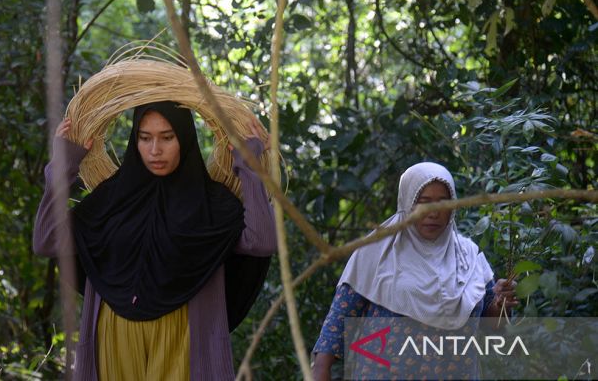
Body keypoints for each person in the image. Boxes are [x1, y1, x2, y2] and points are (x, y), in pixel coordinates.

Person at [33, 101, 276, 380]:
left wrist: (250, 165)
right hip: (112, 338)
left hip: (184, 339)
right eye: (145, 137)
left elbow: (262, 241)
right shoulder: (111, 199)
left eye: (167, 137)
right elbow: (47, 241)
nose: (155, 150)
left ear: (185, 138)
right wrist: (63, 164)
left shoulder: (212, 203)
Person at [311, 162, 518, 381]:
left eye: (443, 202)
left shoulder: (469, 258)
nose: (433, 213)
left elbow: (492, 326)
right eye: (424, 202)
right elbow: (337, 323)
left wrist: (499, 302)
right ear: (407, 204)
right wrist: (320, 371)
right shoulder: (377, 252)